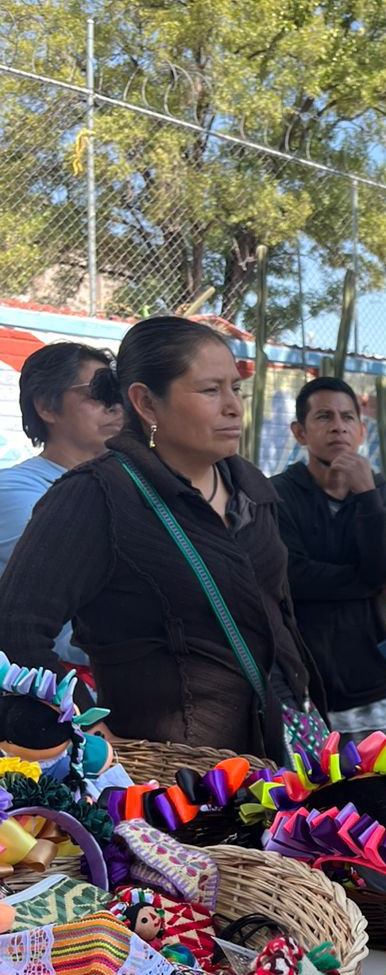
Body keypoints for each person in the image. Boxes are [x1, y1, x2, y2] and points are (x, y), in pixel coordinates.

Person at [0, 316, 318, 761]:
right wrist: (88, 728)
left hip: (277, 757)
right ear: (146, 403)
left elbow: (276, 616)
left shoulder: (252, 489)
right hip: (168, 781)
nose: (233, 407)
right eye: (210, 390)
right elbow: (17, 627)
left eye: (235, 389)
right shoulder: (97, 496)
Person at [274, 377, 386, 748]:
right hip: (299, 680)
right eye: (324, 416)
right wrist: (372, 580)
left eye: (347, 417)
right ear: (300, 432)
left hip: (370, 680)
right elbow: (292, 576)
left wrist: (365, 494)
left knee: (372, 794)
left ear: (362, 429)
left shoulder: (384, 497)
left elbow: (382, 569)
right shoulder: (275, 496)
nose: (338, 425)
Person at [0, 342, 124, 669]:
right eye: (98, 392)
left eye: (118, 393)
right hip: (65, 694)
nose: (115, 406)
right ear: (46, 407)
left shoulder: (133, 488)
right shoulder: (14, 491)